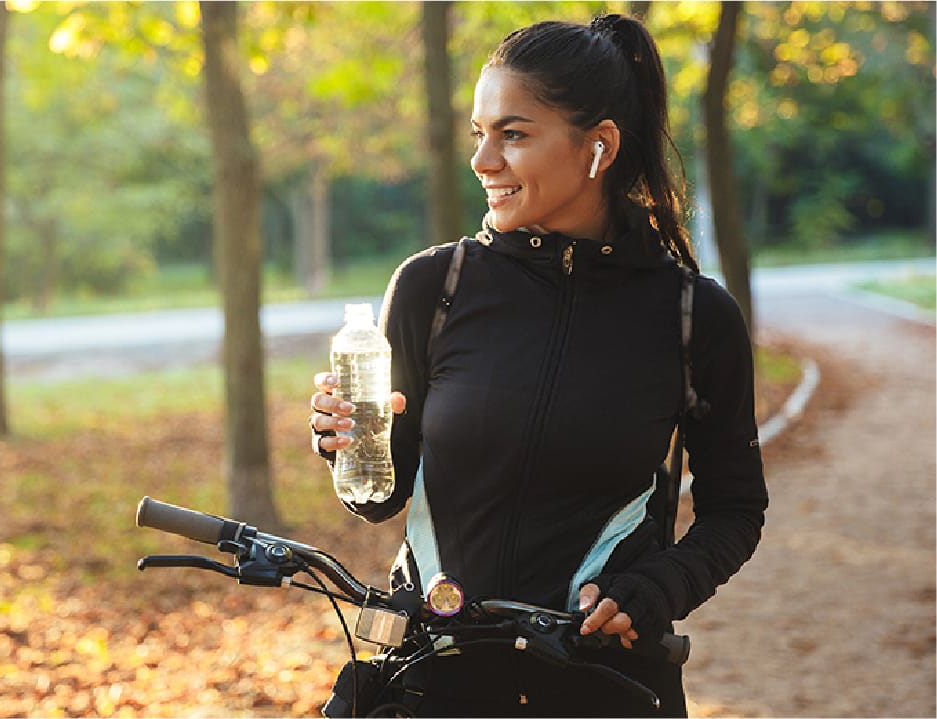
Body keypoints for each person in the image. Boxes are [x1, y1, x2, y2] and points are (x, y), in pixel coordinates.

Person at [309, 14, 767, 718]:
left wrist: (657, 586)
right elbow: (378, 497)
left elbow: (734, 509)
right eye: (478, 133)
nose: (481, 160)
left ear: (598, 146)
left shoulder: (691, 315)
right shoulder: (435, 287)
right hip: (435, 682)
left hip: (604, 687)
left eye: (512, 133)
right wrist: (345, 445)